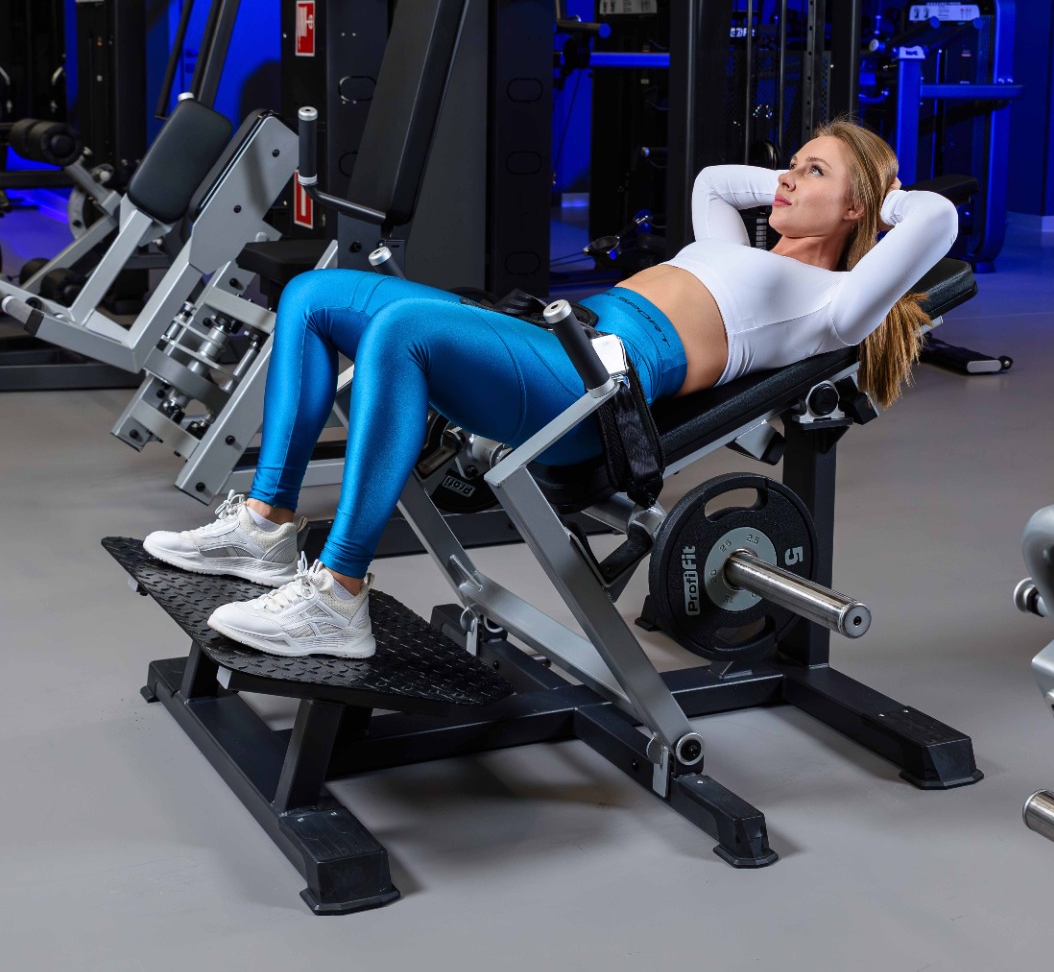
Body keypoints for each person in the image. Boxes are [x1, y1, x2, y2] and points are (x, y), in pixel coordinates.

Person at [143, 117, 957, 661]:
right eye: (790, 165)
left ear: (857, 208)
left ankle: (338, 598)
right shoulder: (737, 245)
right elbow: (714, 181)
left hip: (592, 393)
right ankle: (265, 527)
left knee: (400, 331)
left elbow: (938, 220)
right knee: (314, 296)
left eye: (811, 172)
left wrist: (886, 201)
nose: (784, 180)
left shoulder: (833, 307)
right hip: (555, 342)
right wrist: (799, 175)